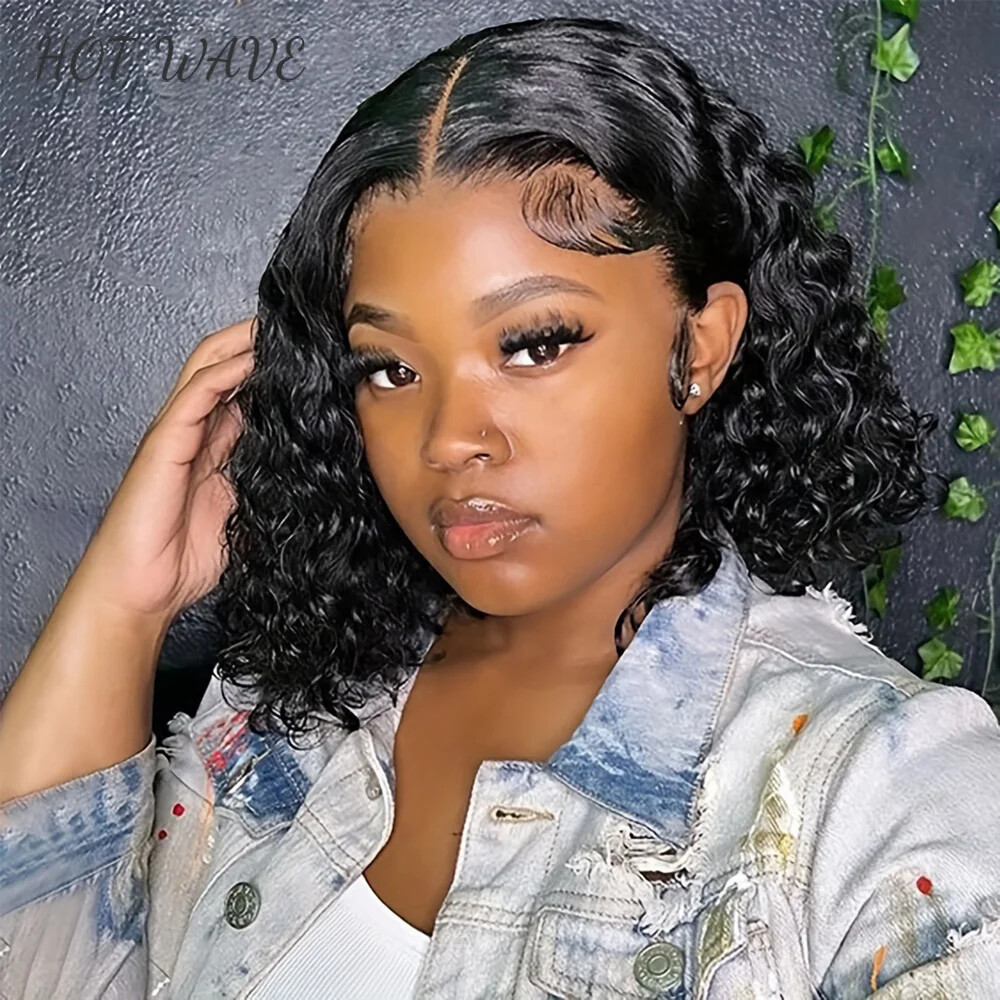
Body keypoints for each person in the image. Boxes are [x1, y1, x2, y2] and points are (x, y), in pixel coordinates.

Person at [2, 14, 999, 1000]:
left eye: (534, 343)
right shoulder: (292, 706)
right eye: (389, 367)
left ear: (698, 348)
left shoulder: (881, 790)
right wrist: (126, 603)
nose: (448, 439)